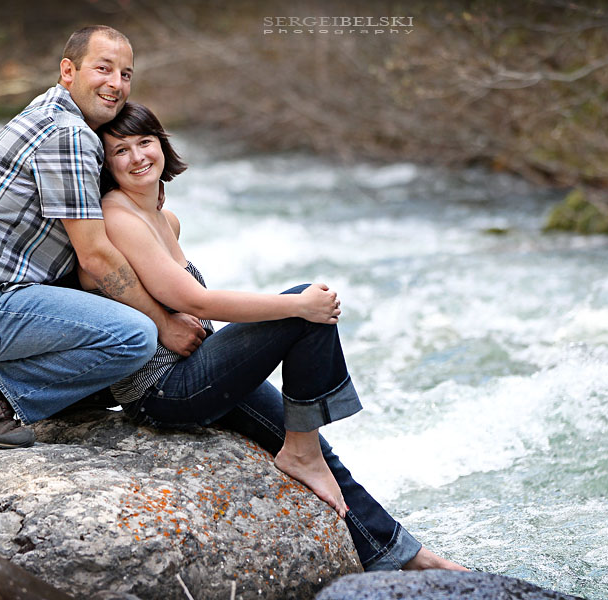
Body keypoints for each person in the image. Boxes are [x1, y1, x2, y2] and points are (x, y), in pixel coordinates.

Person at [93, 101, 468, 572]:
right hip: (162, 391)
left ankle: (408, 557)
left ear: (161, 143)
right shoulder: (118, 216)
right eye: (120, 151)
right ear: (106, 165)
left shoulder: (166, 219)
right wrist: (296, 306)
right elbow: (197, 303)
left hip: (194, 369)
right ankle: (304, 453)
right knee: (304, 308)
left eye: (144, 142)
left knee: (315, 448)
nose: (137, 157)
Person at [0, 26, 206, 449]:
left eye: (126, 74)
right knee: (135, 335)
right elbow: (96, 258)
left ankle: (57, 395)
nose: (116, 83)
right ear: (68, 70)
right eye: (103, 68)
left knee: (119, 311)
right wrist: (164, 325)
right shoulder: (68, 134)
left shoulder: (49, 111)